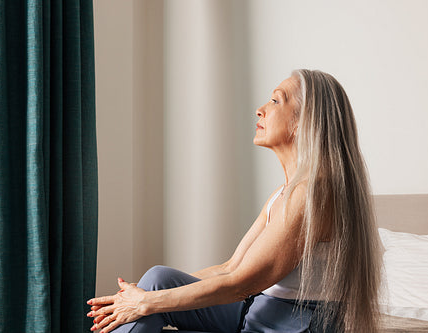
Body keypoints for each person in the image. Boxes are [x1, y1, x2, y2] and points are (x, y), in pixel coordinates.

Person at [86, 69, 383, 333]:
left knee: (150, 298)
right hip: (257, 309)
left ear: (305, 120)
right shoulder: (284, 193)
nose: (260, 110)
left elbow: (242, 284)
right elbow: (230, 267)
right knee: (158, 278)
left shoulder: (313, 196)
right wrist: (138, 297)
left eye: (276, 101)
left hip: (288, 323)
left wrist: (146, 303)